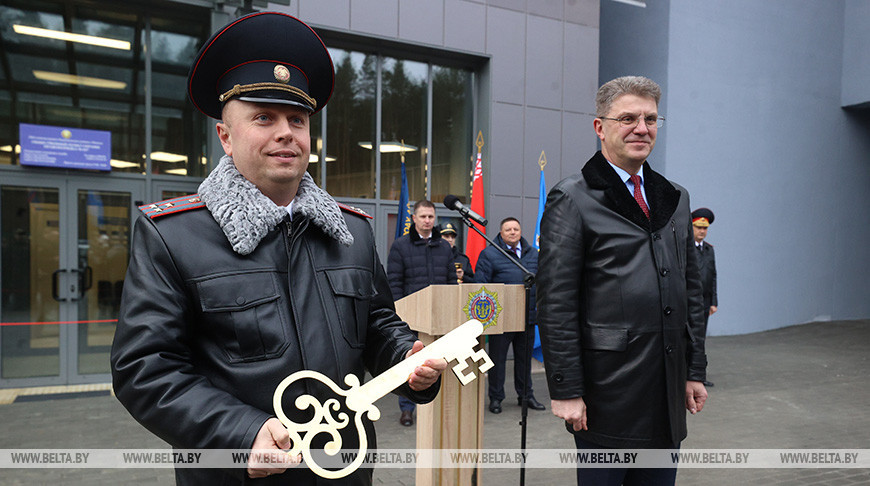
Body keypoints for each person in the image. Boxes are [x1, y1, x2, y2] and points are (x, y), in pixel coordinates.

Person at [110, 12, 446, 485]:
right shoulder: (173, 235)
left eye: (297, 119)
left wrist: (405, 358)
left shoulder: (351, 232)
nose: (286, 132)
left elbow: (376, 324)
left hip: (345, 471)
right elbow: (145, 369)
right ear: (225, 136)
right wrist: (241, 432)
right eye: (264, 117)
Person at [536, 75, 708, 485]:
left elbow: (691, 291)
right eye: (628, 118)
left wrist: (694, 370)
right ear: (600, 126)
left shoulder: (675, 198)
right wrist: (565, 389)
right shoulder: (573, 197)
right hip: (606, 393)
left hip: (664, 389)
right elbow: (556, 301)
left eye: (650, 119)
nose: (641, 129)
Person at [386, 200, 456, 426]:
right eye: (423, 216)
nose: (427, 221)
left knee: (437, 364)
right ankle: (407, 409)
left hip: (440, 318)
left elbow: (451, 281)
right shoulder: (400, 246)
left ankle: (436, 410)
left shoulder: (444, 247)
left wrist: (451, 308)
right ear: (414, 219)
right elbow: (394, 282)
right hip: (411, 318)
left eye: (431, 217)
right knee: (412, 363)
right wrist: (399, 313)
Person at [473, 217, 545, 414]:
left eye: (516, 229)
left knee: (524, 361)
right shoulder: (489, 254)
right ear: (501, 233)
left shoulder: (533, 254)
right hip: (501, 320)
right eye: (508, 230)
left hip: (526, 317)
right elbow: (481, 285)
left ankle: (526, 396)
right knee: (498, 361)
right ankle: (496, 398)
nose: (513, 232)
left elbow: (543, 282)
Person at [692, 207, 718, 388]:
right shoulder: (685, 248)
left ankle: (698, 375)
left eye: (705, 228)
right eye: (698, 227)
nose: (702, 231)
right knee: (689, 338)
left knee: (700, 339)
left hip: (704, 302)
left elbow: (713, 276)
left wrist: (714, 302)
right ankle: (686, 374)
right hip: (689, 302)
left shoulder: (709, 250)